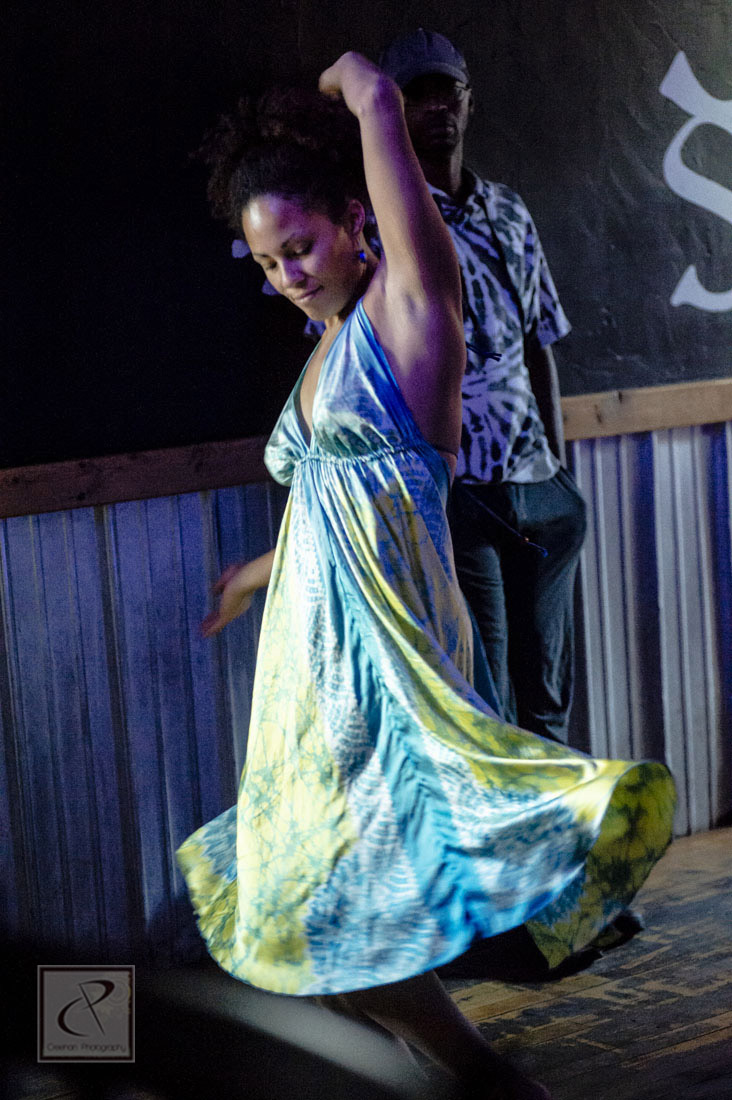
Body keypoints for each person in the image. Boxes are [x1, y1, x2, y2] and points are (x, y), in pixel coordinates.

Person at [177, 51, 675, 1100]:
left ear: (359, 221)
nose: (288, 274)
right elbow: (334, 503)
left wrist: (356, 89)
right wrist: (261, 571)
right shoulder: (326, 347)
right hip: (310, 668)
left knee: (333, 926)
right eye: (267, 262)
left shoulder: (411, 308)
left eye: (301, 246)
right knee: (311, 938)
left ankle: (489, 1084)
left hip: (384, 655)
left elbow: (376, 99)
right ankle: (453, 1084)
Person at [379, 30, 587, 744]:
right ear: (392, 111)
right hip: (461, 496)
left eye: (449, 93)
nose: (437, 108)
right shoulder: (388, 225)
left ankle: (557, 816)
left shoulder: (507, 209)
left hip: (540, 488)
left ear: (469, 104)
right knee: (488, 696)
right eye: (418, 96)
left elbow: (540, 341)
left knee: (547, 695)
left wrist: (558, 469)